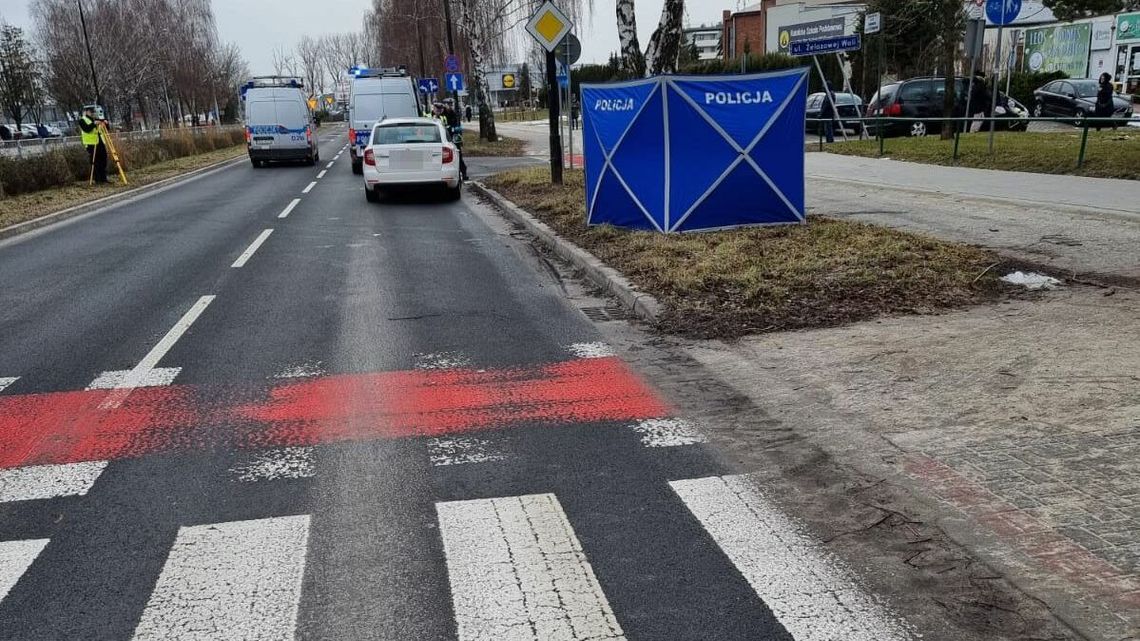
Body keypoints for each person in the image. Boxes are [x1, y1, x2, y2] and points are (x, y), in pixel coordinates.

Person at [78, 106, 109, 184]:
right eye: (91, 111)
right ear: (86, 112)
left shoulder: (97, 119)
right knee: (95, 162)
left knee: (103, 160)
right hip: (91, 144)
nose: (92, 113)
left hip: (100, 142)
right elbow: (87, 129)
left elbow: (106, 129)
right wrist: (94, 124)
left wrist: (106, 124)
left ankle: (104, 179)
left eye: (93, 111)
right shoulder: (82, 120)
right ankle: (98, 180)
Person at [439, 100, 468, 181]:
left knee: (458, 155)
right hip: (445, 138)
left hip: (454, 137)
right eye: (448, 104)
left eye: (451, 104)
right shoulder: (442, 114)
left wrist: (456, 132)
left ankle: (463, 172)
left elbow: (458, 127)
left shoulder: (454, 113)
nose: (450, 106)